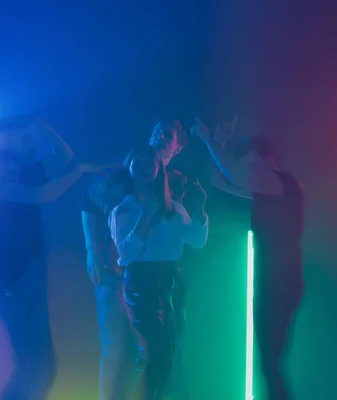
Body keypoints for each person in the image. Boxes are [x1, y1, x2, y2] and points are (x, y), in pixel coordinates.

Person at [0, 116, 112, 400]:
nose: (31, 142)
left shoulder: (27, 172)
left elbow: (64, 154)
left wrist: (39, 123)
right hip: (13, 283)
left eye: (32, 138)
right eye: (24, 137)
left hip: (30, 275)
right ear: (6, 143)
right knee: (32, 370)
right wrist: (80, 170)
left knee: (44, 370)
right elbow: (44, 194)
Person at [192, 116, 304, 400]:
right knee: (269, 365)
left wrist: (210, 141)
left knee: (270, 364)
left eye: (254, 165)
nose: (250, 173)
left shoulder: (283, 183)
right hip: (269, 283)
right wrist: (219, 144)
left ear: (269, 160)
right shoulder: (265, 189)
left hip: (282, 282)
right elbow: (218, 178)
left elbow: (233, 174)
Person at [80, 117, 189, 400]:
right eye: (156, 132)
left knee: (153, 353)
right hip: (114, 274)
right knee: (114, 351)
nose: (160, 138)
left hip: (153, 284)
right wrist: (92, 248)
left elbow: (184, 234)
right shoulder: (126, 169)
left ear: (177, 147)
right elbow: (89, 202)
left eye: (167, 135)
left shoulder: (173, 183)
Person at [108, 145, 208, 400]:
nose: (143, 167)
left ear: (158, 169)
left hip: (172, 281)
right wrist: (146, 218)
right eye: (137, 162)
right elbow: (126, 254)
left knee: (172, 350)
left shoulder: (173, 208)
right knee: (153, 352)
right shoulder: (123, 210)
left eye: (149, 163)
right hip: (142, 284)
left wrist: (199, 207)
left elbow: (197, 240)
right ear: (129, 168)